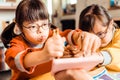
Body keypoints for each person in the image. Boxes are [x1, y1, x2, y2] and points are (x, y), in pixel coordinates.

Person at [1, 0, 101, 80]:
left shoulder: (51, 34)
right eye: (32, 27)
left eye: (44, 24)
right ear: (19, 27)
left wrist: (81, 36)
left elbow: (67, 35)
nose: (41, 31)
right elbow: (14, 60)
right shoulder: (17, 43)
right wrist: (43, 54)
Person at [54, 4, 120, 80]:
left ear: (111, 24)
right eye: (90, 37)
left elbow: (117, 53)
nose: (97, 41)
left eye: (100, 34)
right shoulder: (83, 41)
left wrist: (98, 57)